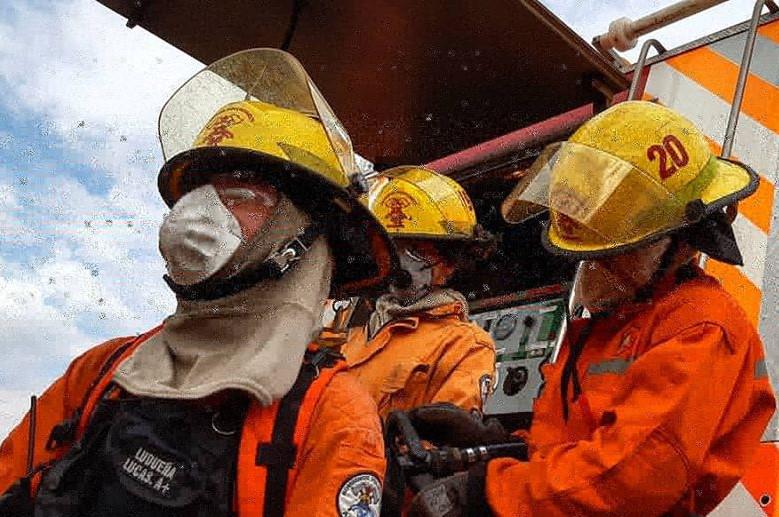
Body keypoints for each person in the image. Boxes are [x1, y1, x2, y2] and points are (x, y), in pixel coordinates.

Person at [0, 48, 399, 517]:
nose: (199, 209)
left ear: (299, 242)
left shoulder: (331, 417)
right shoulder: (105, 369)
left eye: (242, 192)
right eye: (201, 190)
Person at [407, 101, 776, 516]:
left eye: (613, 251)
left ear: (682, 241)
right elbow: (573, 451)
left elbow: (632, 478)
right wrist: (499, 447)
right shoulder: (615, 323)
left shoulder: (700, 326)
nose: (595, 266)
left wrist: (490, 492)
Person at [340, 166, 496, 421]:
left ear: (449, 264)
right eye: (391, 247)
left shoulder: (464, 345)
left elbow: (446, 436)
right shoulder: (353, 335)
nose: (398, 261)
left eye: (416, 250)